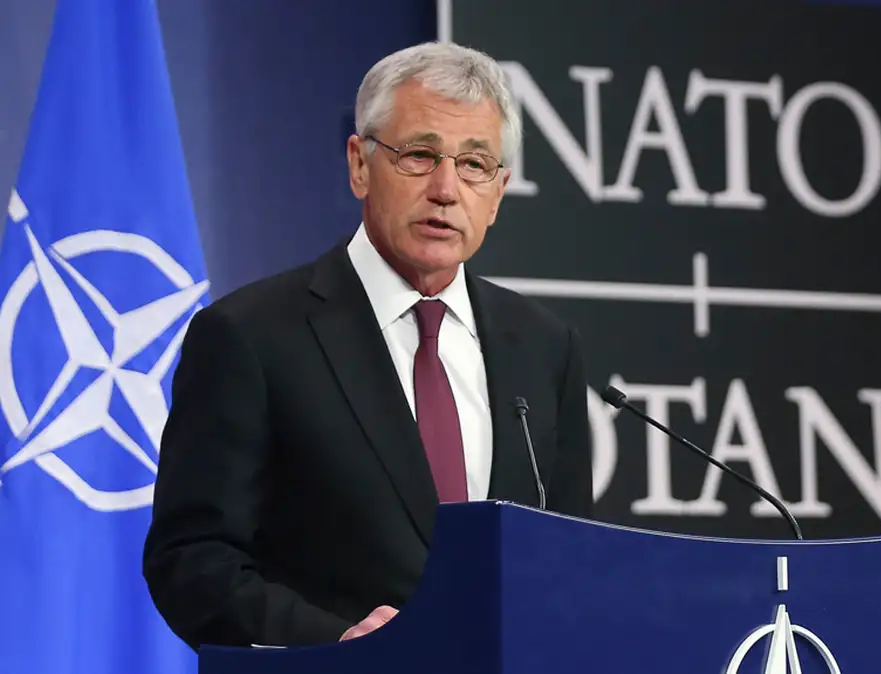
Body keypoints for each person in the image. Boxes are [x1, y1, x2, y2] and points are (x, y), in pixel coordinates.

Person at [142, 41, 594, 650]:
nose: (445, 189)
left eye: (474, 164)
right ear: (360, 164)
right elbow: (192, 560)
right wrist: (339, 645)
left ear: (499, 191)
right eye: (419, 155)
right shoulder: (250, 336)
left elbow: (573, 559)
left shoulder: (544, 347)